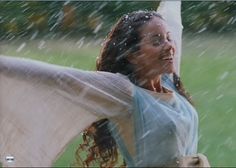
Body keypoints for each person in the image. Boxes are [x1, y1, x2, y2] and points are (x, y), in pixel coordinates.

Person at [0, 1, 210, 167]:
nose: (170, 47)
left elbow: (173, 17)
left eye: (168, 38)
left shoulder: (168, 80)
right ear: (132, 55)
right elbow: (60, 78)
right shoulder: (125, 93)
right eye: (157, 41)